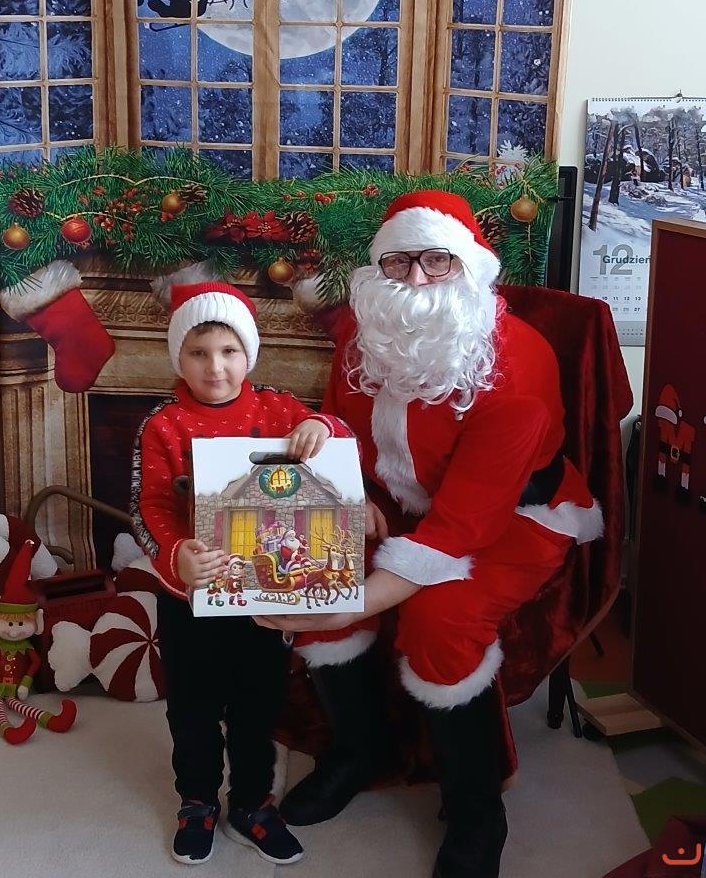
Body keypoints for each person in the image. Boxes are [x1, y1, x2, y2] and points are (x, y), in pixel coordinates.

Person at [257, 191, 602, 878]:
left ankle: (476, 807)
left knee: (440, 616)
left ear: (469, 267)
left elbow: (463, 525)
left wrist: (347, 604)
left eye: (436, 260)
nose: (415, 279)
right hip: (403, 501)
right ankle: (360, 751)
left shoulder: (517, 366)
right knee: (312, 559)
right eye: (399, 261)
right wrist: (349, 489)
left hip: (512, 514)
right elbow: (343, 424)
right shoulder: (367, 335)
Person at [130, 281, 349, 867]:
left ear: (248, 353)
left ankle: (253, 802)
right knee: (193, 708)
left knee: (259, 704)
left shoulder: (279, 409)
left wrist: (326, 427)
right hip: (191, 597)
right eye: (199, 353)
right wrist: (175, 555)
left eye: (228, 351)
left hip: (263, 594)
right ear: (178, 357)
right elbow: (148, 506)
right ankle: (197, 799)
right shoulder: (163, 424)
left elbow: (341, 445)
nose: (215, 367)